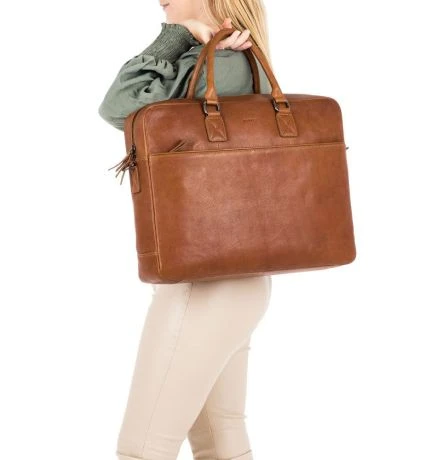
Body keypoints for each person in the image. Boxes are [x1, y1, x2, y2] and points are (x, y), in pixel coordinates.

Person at [98, 1, 273, 459]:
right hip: (233, 279)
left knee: (142, 448)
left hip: (207, 286)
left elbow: (119, 107)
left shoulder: (222, 65)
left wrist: (175, 36)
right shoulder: (228, 61)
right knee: (220, 441)